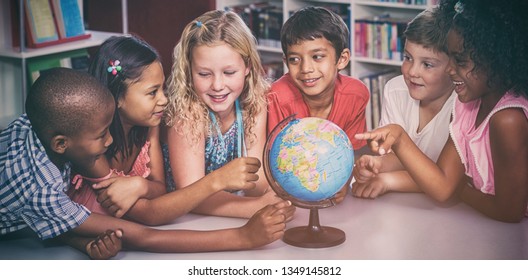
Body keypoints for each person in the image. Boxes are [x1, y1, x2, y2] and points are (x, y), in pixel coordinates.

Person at [0, 68, 291, 259]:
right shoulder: (39, 189)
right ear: (61, 144)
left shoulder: (40, 124)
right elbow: (145, 237)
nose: (109, 142)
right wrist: (243, 237)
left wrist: (83, 243)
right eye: (102, 135)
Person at [355, 0, 528, 222]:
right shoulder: (468, 105)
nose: (449, 69)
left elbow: (507, 212)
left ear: (495, 60)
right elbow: (443, 186)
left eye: (460, 61)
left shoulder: (508, 119)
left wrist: (460, 187)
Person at [163, 10, 295, 218]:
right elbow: (190, 195)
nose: (217, 85)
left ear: (247, 67)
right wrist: (255, 208)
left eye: (229, 72)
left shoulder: (255, 103)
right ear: (189, 71)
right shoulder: (187, 113)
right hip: (187, 218)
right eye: (204, 74)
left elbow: (257, 180)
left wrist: (273, 199)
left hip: (230, 210)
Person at [266, 6, 370, 203]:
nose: (306, 68)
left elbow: (352, 151)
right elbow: (275, 162)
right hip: (286, 197)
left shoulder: (356, 95)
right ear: (285, 61)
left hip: (331, 198)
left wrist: (344, 182)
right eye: (295, 59)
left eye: (317, 57)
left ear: (342, 59)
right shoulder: (278, 96)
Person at [352, 8, 456, 198]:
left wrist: (389, 180)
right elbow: (401, 158)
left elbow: (448, 181)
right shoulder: (395, 90)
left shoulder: (462, 106)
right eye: (408, 58)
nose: (412, 72)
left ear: (453, 67)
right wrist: (378, 165)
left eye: (427, 64)